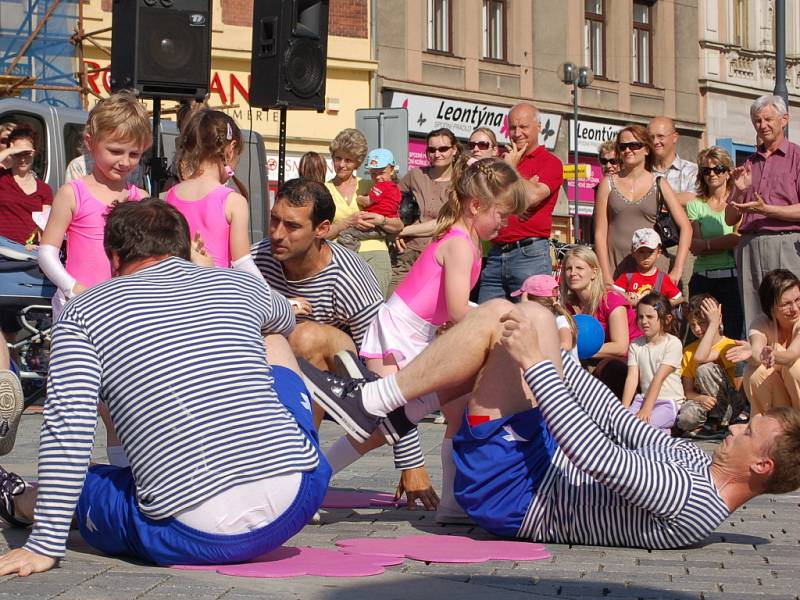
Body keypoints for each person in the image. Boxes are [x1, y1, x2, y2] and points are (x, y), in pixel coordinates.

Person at [299, 298, 800, 550]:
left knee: (504, 317)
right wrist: (556, 365)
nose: (733, 427)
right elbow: (622, 426)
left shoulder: (692, 499)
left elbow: (597, 454)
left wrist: (539, 367)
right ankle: (386, 405)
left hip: (509, 493)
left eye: (747, 432)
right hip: (535, 464)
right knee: (527, 317)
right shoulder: (698, 465)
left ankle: (378, 400)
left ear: (760, 465)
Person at [0, 199, 330, 575]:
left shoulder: (83, 313)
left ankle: (21, 502)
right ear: (185, 247)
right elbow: (285, 318)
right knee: (271, 338)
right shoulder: (238, 284)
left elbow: (68, 427)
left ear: (113, 256)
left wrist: (45, 547)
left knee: (88, 481)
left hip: (191, 533)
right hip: (300, 496)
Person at [251, 179, 436, 508]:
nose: (277, 234)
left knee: (309, 336)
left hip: (336, 383)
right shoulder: (256, 262)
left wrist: (412, 463)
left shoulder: (350, 277)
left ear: (322, 229)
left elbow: (383, 369)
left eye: (292, 226)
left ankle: (300, 473)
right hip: (262, 376)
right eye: (274, 220)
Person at [359, 158, 525, 522]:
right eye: (502, 213)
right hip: (398, 334)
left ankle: (452, 504)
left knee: (457, 409)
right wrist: (497, 319)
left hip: (417, 334)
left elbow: (454, 306)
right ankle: (317, 471)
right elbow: (455, 309)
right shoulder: (462, 245)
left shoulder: (466, 239)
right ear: (477, 205)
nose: (505, 221)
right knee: (376, 427)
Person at [38, 90, 151, 320]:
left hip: (124, 308)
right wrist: (73, 288)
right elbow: (47, 252)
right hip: (78, 307)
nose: (125, 162)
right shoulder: (72, 193)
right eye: (116, 151)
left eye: (134, 154)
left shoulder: (141, 198)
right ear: (90, 143)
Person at [725, 95, 800, 328]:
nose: (763, 125)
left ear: (784, 120)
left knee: (790, 310)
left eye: (768, 119)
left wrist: (766, 209)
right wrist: (738, 192)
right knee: (755, 314)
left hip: (786, 242)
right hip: (750, 245)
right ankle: (759, 362)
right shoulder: (748, 163)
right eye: (757, 120)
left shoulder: (797, 158)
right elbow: (730, 218)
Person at [478, 103, 564, 302]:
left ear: (539, 127)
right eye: (513, 128)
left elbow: (533, 197)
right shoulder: (500, 161)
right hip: (496, 253)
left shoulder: (550, 162)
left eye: (524, 127)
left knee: (532, 321)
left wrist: (512, 170)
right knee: (485, 321)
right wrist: (517, 203)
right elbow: (487, 200)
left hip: (530, 254)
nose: (517, 133)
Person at [165, 108, 261, 277]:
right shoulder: (233, 201)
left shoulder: (170, 195)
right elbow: (243, 264)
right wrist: (277, 299)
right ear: (230, 149)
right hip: (217, 296)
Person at [594, 125, 692, 285]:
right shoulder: (607, 184)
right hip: (615, 266)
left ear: (646, 149)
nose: (627, 150)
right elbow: (600, 232)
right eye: (623, 146)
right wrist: (605, 273)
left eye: (634, 145)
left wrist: (678, 269)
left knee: (651, 310)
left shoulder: (659, 183)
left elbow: (686, 228)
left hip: (652, 268)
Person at [324, 129, 403, 296]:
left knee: (373, 309)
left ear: (358, 163)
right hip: (340, 259)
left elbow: (398, 224)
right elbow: (319, 234)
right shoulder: (323, 190)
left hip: (376, 256)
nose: (342, 164)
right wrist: (347, 222)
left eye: (348, 160)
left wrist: (381, 221)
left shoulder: (372, 185)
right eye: (338, 158)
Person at [561, 246, 640, 398]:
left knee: (610, 368)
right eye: (568, 268)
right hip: (595, 360)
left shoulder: (611, 299)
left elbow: (621, 346)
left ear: (594, 272)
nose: (573, 273)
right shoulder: (568, 306)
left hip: (629, 362)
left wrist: (577, 352)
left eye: (579, 268)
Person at [392, 128, 463, 292]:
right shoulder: (415, 175)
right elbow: (391, 202)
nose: (437, 154)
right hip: (406, 253)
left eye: (443, 149)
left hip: (440, 256)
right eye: (432, 149)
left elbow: (446, 222)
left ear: (454, 150)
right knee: (393, 304)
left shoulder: (461, 182)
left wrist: (404, 230)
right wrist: (394, 229)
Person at [687, 146, 743, 338]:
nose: (712, 174)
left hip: (731, 278)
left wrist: (708, 245)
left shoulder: (737, 202)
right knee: (699, 333)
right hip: (703, 277)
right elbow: (696, 246)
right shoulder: (696, 205)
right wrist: (722, 243)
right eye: (706, 170)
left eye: (717, 169)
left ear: (728, 172)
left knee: (732, 334)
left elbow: (737, 238)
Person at [727, 269, 800, 414]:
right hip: (783, 400)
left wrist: (773, 355)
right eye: (786, 304)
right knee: (754, 373)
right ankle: (772, 427)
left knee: (795, 368)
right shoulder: (761, 322)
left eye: (798, 300)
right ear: (771, 307)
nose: (795, 308)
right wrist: (754, 353)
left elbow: (792, 355)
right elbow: (756, 351)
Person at [680, 295, 745, 437]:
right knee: (685, 418)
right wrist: (700, 398)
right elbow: (688, 392)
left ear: (717, 319)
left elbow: (701, 357)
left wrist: (714, 323)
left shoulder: (729, 345)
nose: (697, 329)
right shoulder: (688, 351)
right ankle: (711, 424)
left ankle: (721, 422)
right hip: (706, 404)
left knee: (704, 369)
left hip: (730, 404)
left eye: (702, 323)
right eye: (692, 325)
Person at [620, 293, 684, 434]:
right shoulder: (635, 345)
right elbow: (632, 379)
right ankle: (664, 432)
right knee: (622, 426)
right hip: (642, 400)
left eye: (650, 317)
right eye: (641, 317)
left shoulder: (673, 343)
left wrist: (647, 409)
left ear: (666, 319)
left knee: (641, 430)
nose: (644, 321)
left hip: (668, 403)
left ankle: (663, 433)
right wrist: (623, 410)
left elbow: (659, 377)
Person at [337, 148, 401, 253]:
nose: (378, 177)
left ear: (392, 170)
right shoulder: (395, 188)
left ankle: (352, 256)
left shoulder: (381, 186)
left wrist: (359, 198)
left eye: (382, 173)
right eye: (373, 174)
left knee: (345, 235)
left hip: (375, 226)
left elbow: (367, 201)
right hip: (385, 227)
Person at [0, 123, 53, 245]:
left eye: (27, 153)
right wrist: (10, 150)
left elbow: (45, 227)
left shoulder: (44, 189)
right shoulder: (2, 177)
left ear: (34, 152)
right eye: (18, 154)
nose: (23, 159)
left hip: (27, 254)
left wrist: (38, 246)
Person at [511, 274, 577, 361]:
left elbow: (567, 344)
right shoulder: (540, 319)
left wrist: (537, 350)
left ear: (532, 303)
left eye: (523, 299)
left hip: (566, 373)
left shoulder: (559, 319)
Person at [612, 228, 682, 306]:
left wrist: (660, 306)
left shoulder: (662, 278)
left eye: (650, 252)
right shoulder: (627, 276)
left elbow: (678, 298)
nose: (646, 256)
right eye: (641, 251)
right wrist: (627, 299)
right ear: (633, 253)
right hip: (632, 317)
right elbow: (613, 293)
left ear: (658, 253)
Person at [647, 116, 699, 206]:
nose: (655, 141)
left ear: (675, 137)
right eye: (651, 137)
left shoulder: (692, 170)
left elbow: (694, 199)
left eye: (660, 136)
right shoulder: (642, 170)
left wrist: (649, 199)